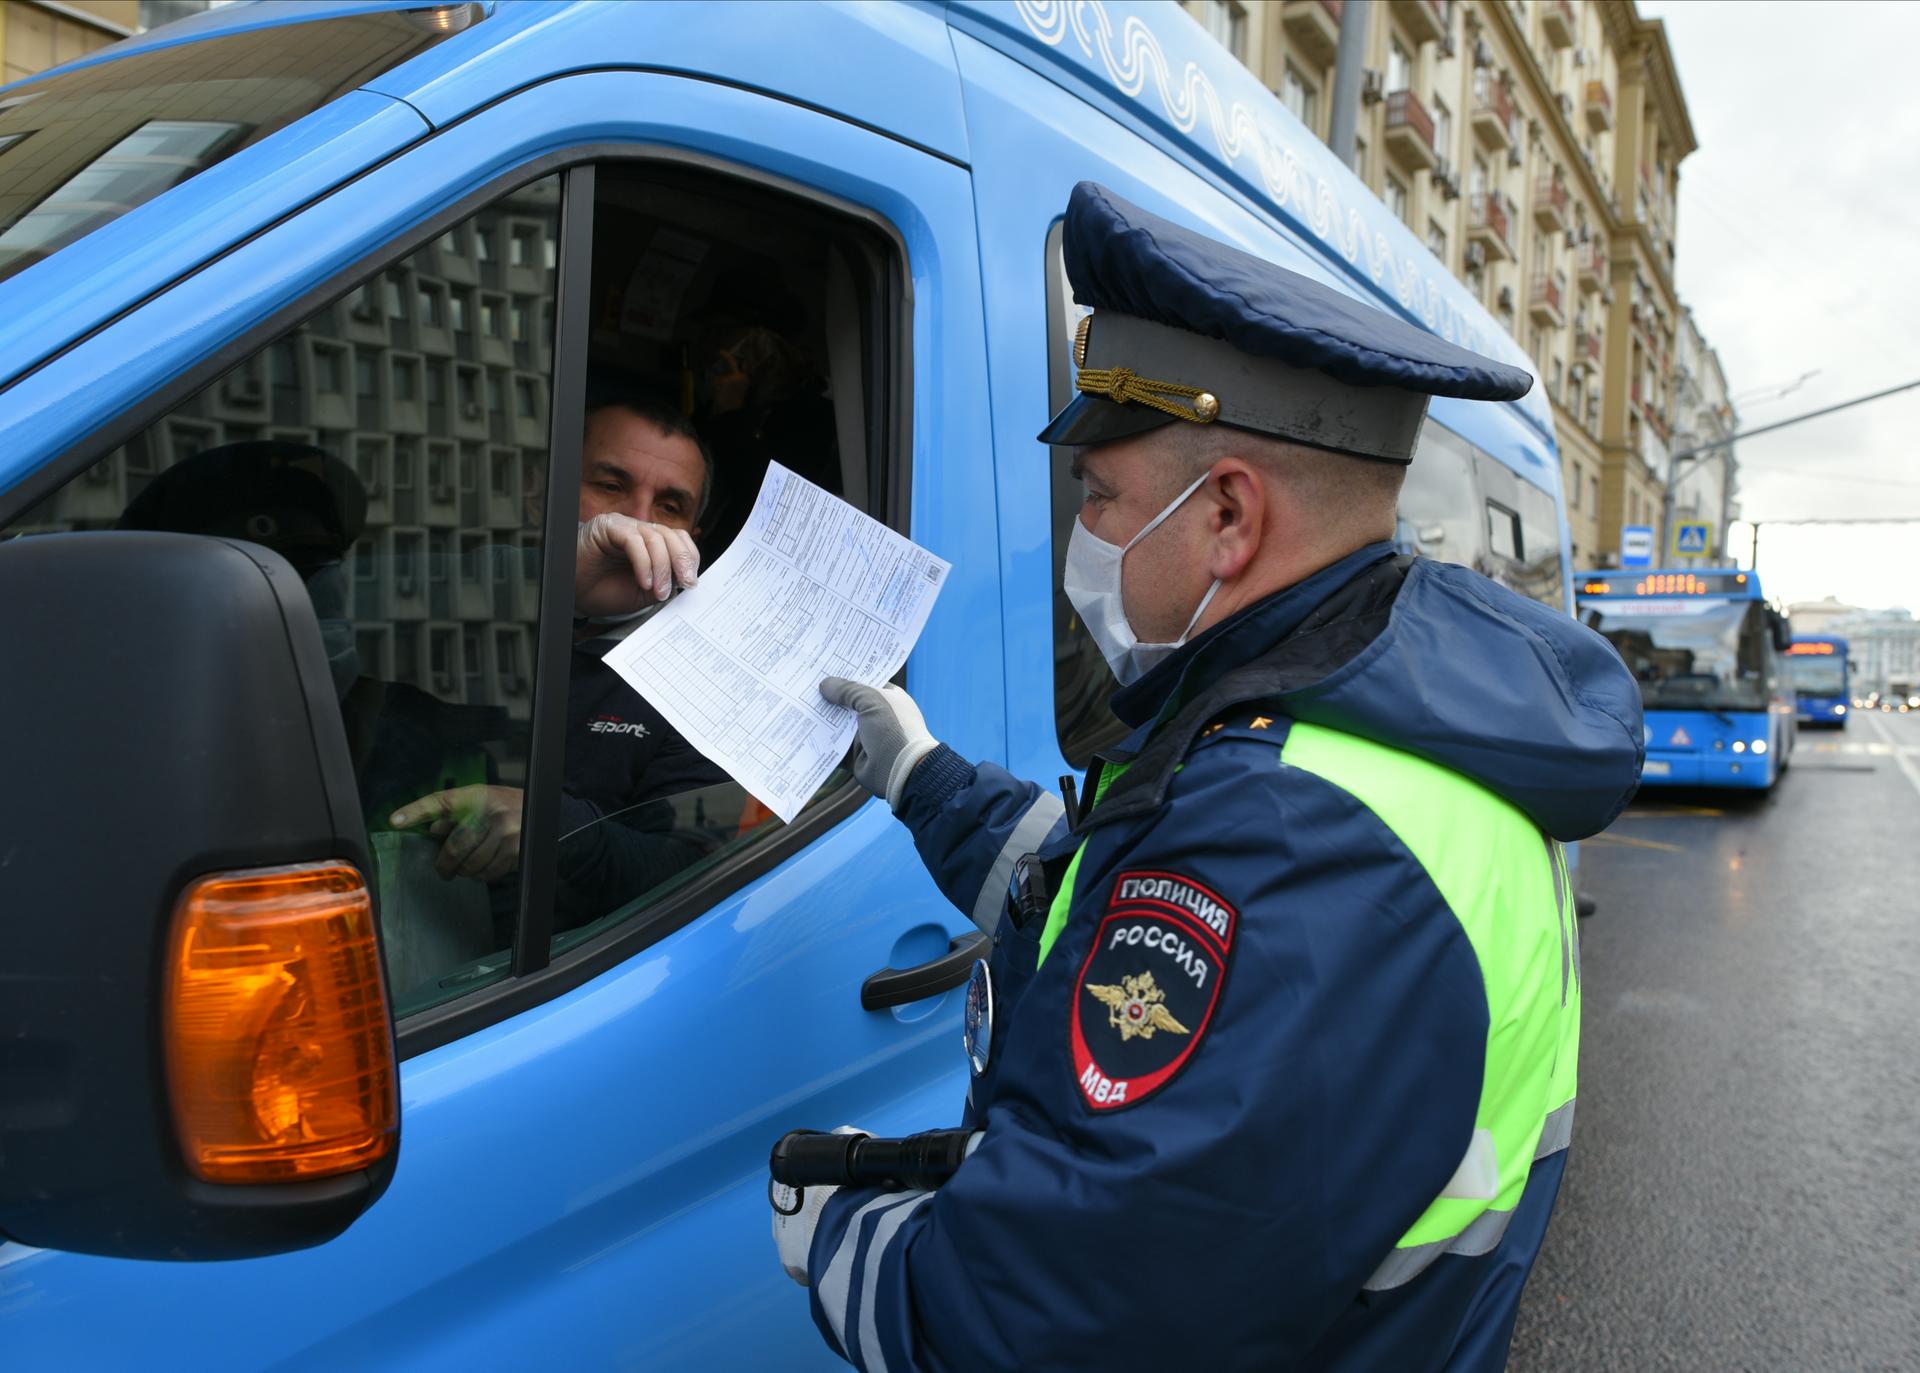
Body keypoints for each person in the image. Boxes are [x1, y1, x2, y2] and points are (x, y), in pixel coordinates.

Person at [772, 183, 1644, 1370]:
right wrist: (920, 775)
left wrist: (843, 1235)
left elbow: (1035, 1328)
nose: (1083, 534)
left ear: (1228, 513)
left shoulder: (1287, 835)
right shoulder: (1381, 738)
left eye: (1099, 497)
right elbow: (1096, 885)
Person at [392, 398, 728, 920]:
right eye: (611, 486)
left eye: (669, 507)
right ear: (540, 496)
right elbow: (338, 609)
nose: (639, 521)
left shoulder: (704, 680)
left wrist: (560, 828)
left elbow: (692, 868)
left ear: (691, 540)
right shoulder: (462, 594)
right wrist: (548, 584)